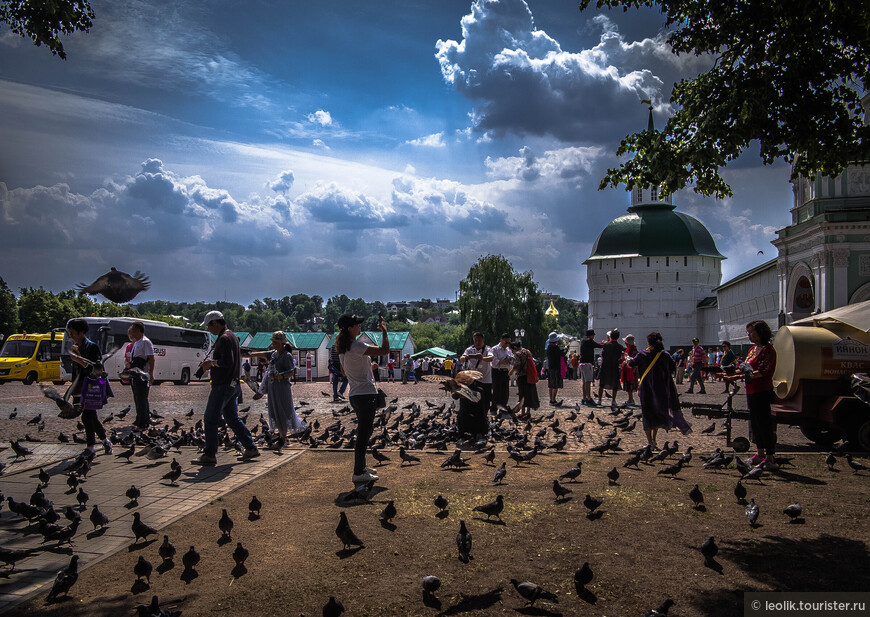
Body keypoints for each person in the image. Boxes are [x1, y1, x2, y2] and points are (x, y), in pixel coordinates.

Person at [193, 311, 259, 465]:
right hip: (233, 385)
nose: (209, 329)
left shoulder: (223, 339)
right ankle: (250, 447)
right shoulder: (232, 337)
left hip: (222, 386)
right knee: (232, 419)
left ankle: (209, 454)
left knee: (210, 419)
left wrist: (211, 364)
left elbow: (227, 362)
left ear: (215, 323)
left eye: (209, 326)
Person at [337, 313, 390, 483]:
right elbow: (385, 350)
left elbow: (345, 372)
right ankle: (358, 472)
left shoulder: (342, 349)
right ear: (349, 329)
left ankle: (362, 466)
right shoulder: (357, 346)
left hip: (355, 394)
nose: (359, 327)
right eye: (356, 325)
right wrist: (385, 332)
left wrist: (367, 366)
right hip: (366, 394)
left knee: (363, 434)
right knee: (363, 436)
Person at [725, 320, 778, 470]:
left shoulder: (769, 350)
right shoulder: (752, 350)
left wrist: (739, 377)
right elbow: (744, 368)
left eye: (751, 332)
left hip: (763, 392)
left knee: (765, 424)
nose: (749, 335)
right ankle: (759, 453)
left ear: (760, 332)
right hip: (752, 391)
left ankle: (770, 458)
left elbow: (762, 372)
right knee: (755, 423)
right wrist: (727, 373)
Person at [627, 331, 693, 449]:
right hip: (662, 391)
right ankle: (654, 439)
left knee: (647, 415)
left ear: (648, 342)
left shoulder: (642, 354)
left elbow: (630, 364)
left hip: (646, 390)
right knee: (657, 413)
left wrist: (627, 360)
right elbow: (673, 367)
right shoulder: (665, 355)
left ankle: (649, 442)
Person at [66, 318, 113, 455]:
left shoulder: (92, 347)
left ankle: (91, 447)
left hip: (91, 387)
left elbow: (95, 370)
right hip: (79, 388)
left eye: (73, 332)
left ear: (81, 332)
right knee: (90, 417)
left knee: (87, 416)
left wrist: (79, 360)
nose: (71, 335)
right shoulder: (75, 347)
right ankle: (105, 442)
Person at [251, 332, 305, 449]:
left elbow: (291, 372)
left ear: (281, 343)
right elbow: (260, 354)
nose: (273, 344)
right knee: (274, 410)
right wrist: (247, 354)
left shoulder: (287, 356)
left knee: (283, 410)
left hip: (282, 387)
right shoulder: (274, 354)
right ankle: (282, 436)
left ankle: (283, 438)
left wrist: (280, 376)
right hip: (273, 387)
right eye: (273, 341)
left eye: (275, 342)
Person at [458, 332, 493, 437]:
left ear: (483, 340)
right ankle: (472, 423)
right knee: (471, 402)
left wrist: (481, 358)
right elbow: (461, 358)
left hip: (485, 380)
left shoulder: (488, 349)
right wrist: (465, 358)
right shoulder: (469, 349)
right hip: (472, 380)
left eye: (479, 340)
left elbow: (491, 358)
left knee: (485, 402)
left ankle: (484, 420)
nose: (477, 342)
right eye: (475, 340)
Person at [127, 321, 154, 431]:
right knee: (138, 398)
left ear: (138, 330)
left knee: (142, 399)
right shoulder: (137, 342)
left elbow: (151, 358)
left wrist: (151, 373)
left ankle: (143, 423)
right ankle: (141, 420)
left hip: (142, 374)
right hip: (136, 374)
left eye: (133, 329)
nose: (131, 331)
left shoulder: (145, 342)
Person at [509, 341, 539, 418]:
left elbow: (517, 365)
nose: (512, 352)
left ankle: (522, 412)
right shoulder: (527, 351)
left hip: (522, 376)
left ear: (515, 348)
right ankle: (528, 412)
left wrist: (511, 372)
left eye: (512, 350)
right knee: (529, 393)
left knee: (522, 394)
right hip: (529, 375)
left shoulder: (518, 354)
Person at [597, 330, 624, 409]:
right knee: (615, 383)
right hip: (614, 366)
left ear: (610, 336)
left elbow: (603, 354)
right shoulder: (619, 346)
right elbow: (619, 356)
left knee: (602, 383)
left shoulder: (606, 345)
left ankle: (599, 400)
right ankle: (613, 400)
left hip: (606, 365)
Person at [579, 329, 603, 406]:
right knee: (588, 382)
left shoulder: (583, 341)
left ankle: (584, 398)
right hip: (587, 364)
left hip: (582, 363)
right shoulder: (589, 341)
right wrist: (605, 344)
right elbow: (598, 345)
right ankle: (589, 398)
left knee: (584, 382)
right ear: (591, 335)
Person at [490, 332, 513, 412]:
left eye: (509, 342)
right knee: (497, 391)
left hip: (505, 372)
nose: (507, 344)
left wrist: (511, 361)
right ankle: (494, 408)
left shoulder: (508, 350)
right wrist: (503, 361)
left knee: (505, 392)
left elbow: (511, 360)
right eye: (506, 342)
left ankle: (503, 408)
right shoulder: (494, 349)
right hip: (497, 371)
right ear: (501, 340)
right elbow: (494, 360)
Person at [545, 332, 566, 405]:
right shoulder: (555, 347)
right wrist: (566, 349)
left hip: (550, 367)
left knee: (551, 385)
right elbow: (562, 354)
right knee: (555, 385)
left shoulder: (548, 347)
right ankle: (553, 400)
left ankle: (551, 399)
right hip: (556, 367)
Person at [621, 334, 639, 406]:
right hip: (627, 368)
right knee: (628, 384)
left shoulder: (633, 351)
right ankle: (630, 399)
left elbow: (634, 360)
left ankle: (631, 399)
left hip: (631, 370)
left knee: (630, 384)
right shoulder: (628, 349)